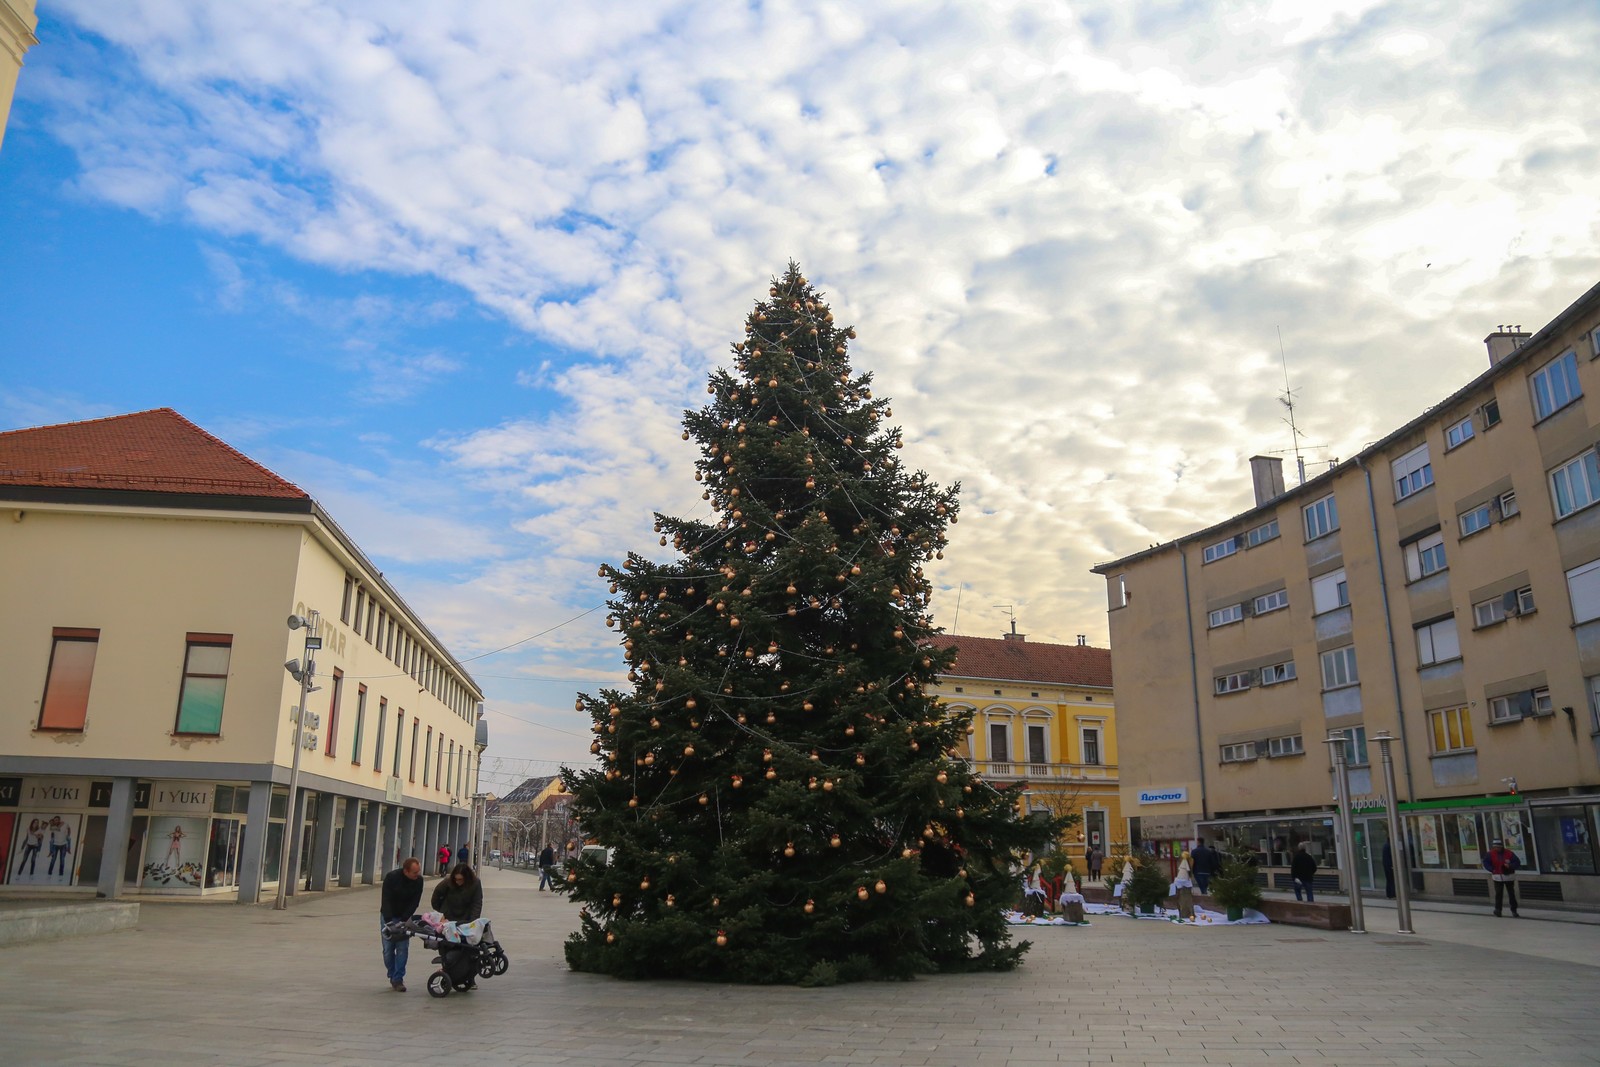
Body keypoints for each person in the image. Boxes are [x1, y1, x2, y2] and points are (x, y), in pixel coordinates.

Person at [379, 857, 424, 992]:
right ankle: (392, 974)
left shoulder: (419, 881)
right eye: (415, 873)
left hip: (404, 917)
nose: (418, 875)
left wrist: (405, 919)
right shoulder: (392, 877)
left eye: (418, 871)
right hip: (389, 915)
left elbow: (415, 902)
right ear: (406, 871)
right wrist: (388, 921)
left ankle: (398, 978)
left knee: (402, 948)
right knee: (388, 949)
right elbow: (386, 899)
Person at [1484, 838, 1520, 917]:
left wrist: (1510, 866)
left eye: (1498, 847)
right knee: (1498, 894)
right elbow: (1486, 863)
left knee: (1511, 894)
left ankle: (1514, 910)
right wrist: (1492, 869)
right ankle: (1498, 910)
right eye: (1495, 847)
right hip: (1497, 876)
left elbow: (1517, 862)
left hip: (1509, 876)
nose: (1497, 848)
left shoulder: (1509, 853)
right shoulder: (1490, 854)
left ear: (1501, 846)